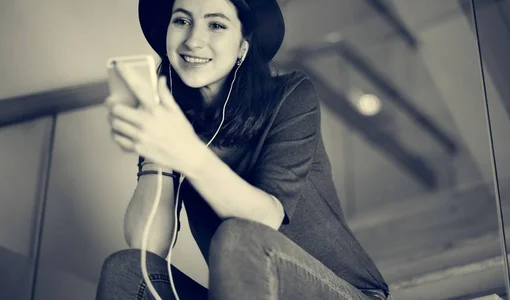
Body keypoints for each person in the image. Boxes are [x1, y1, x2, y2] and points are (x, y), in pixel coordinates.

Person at [96, 0, 390, 299]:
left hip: (340, 292)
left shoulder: (291, 95)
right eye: (182, 21)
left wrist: (185, 151)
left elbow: (264, 218)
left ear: (242, 48)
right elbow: (148, 246)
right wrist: (159, 152)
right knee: (126, 269)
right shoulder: (170, 122)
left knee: (238, 234)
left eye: (216, 24)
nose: (193, 40)